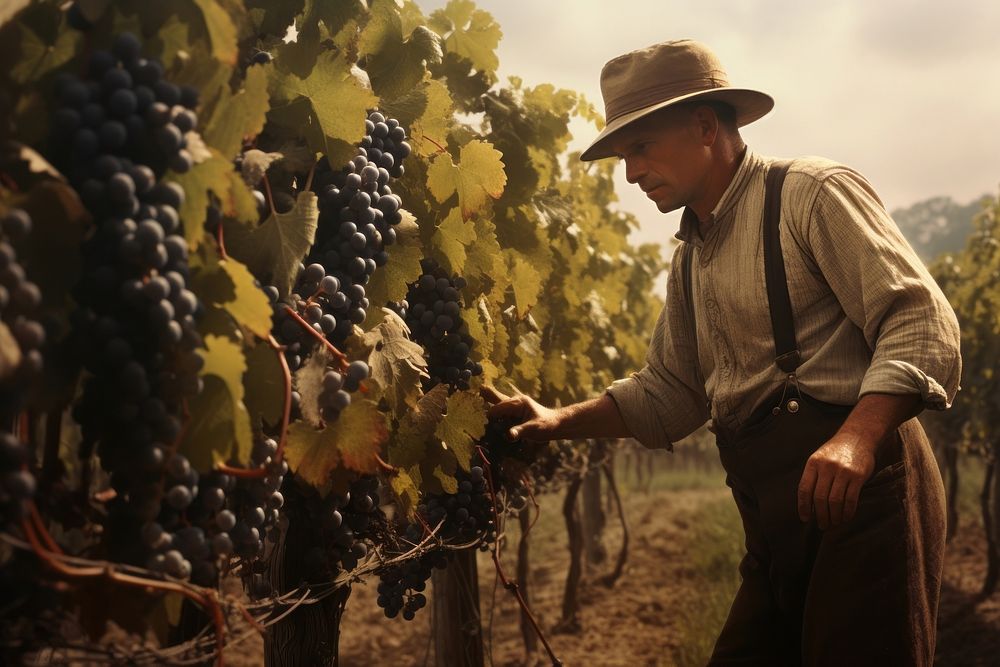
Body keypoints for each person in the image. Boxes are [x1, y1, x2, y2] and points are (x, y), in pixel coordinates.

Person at [485, 39, 961, 666]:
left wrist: (856, 439)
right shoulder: (689, 259)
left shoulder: (811, 195)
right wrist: (555, 422)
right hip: (773, 521)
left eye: (640, 147)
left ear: (705, 125)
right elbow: (671, 393)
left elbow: (923, 323)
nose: (631, 173)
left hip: (864, 502)